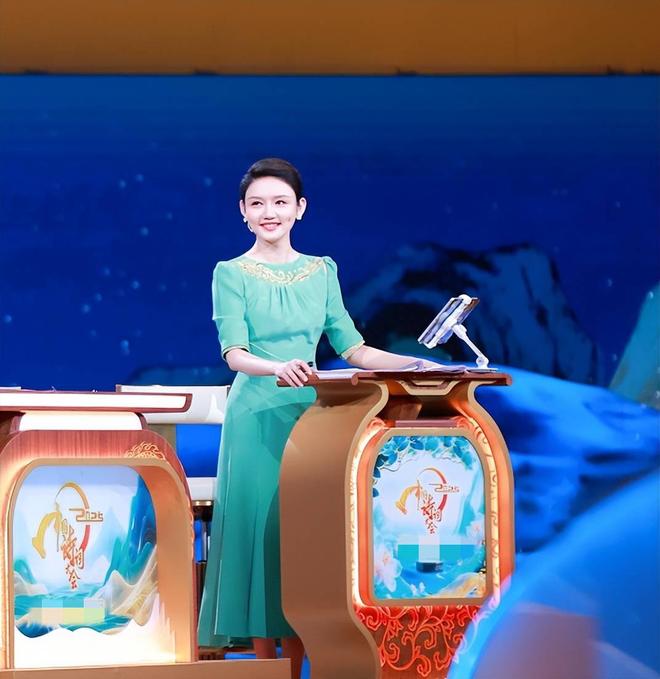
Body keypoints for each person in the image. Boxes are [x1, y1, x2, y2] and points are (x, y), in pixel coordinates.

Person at [198, 158, 440, 678]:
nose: (269, 212)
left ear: (300, 209)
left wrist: (415, 364)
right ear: (243, 212)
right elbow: (235, 354)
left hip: (310, 416)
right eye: (258, 203)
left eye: (280, 202)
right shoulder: (231, 273)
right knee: (261, 535)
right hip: (256, 416)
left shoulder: (321, 271)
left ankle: (301, 664)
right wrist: (277, 367)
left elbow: (353, 348)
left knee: (300, 536)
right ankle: (266, 668)